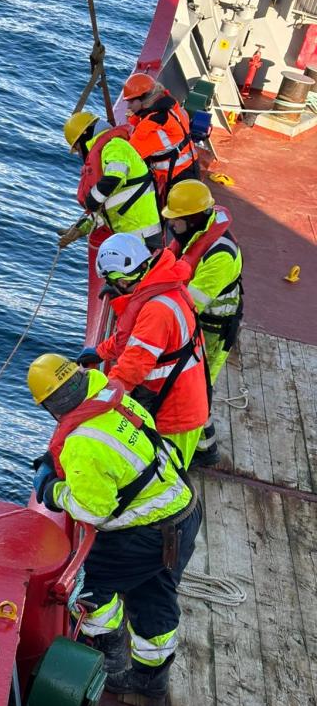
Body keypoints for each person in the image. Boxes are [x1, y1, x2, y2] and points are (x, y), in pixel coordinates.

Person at [28, 353, 202, 698]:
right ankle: (152, 678)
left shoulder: (82, 443)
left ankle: (108, 648)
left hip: (150, 533)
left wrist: (53, 490)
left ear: (49, 405)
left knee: (89, 584)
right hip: (185, 510)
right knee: (154, 596)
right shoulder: (117, 400)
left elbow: (92, 511)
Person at [78, 233, 209, 467]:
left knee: (167, 480)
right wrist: (101, 352)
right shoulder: (166, 288)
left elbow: (132, 369)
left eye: (112, 281)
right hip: (184, 401)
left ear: (123, 280)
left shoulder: (156, 311)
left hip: (175, 414)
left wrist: (95, 403)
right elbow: (134, 341)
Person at [162, 179, 243, 468]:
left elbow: (191, 300)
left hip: (212, 330)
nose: (171, 224)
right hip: (199, 324)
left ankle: (202, 451)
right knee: (197, 384)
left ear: (193, 218)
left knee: (198, 386)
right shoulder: (197, 236)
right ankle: (205, 447)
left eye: (176, 219)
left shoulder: (220, 254)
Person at [58, 111, 162, 252]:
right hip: (131, 238)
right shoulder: (104, 153)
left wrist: (92, 199)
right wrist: (78, 230)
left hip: (143, 239)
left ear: (84, 137)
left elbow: (114, 177)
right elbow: (106, 209)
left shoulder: (114, 146)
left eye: (77, 148)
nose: (80, 154)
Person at [123, 73, 200, 208]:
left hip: (175, 179)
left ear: (143, 100)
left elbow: (129, 156)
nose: (128, 107)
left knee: (173, 218)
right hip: (192, 168)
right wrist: (136, 117)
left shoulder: (151, 126)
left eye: (131, 102)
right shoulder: (174, 109)